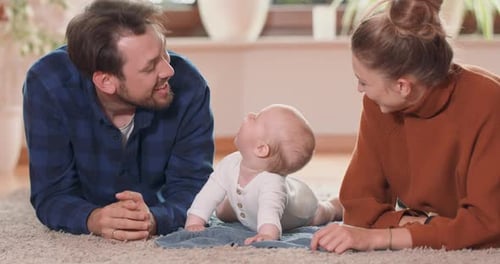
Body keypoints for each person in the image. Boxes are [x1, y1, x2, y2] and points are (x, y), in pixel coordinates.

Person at [311, 0, 500, 253]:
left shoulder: (488, 103)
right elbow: (358, 209)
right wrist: (424, 225)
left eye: (363, 81)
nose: (359, 89)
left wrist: (381, 238)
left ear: (402, 86)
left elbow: (486, 228)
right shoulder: (379, 106)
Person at [22, 0, 214, 241]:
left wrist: (155, 219)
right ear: (106, 82)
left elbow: (196, 187)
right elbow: (51, 193)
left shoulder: (189, 86)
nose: (168, 70)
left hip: (154, 208)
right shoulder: (48, 84)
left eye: (164, 52)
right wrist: (93, 218)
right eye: (150, 67)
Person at [184, 104, 343, 244]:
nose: (249, 115)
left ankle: (336, 206)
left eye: (256, 118)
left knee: (322, 213)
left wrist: (267, 234)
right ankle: (240, 207)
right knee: (222, 209)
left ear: (261, 148)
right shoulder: (229, 163)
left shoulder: (271, 183)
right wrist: (195, 220)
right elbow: (208, 193)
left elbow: (270, 213)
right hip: (253, 207)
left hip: (299, 205)